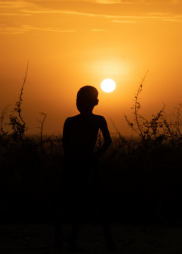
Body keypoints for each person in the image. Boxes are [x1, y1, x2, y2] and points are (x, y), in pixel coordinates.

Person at [55, 85, 114, 251]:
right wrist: (93, 155)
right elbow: (65, 144)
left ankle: (68, 238)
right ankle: (62, 238)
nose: (79, 103)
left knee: (73, 200)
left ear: (95, 102)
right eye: (78, 100)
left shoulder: (94, 120)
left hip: (79, 162)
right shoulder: (74, 121)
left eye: (83, 100)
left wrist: (93, 156)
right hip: (79, 162)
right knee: (66, 199)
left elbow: (66, 144)